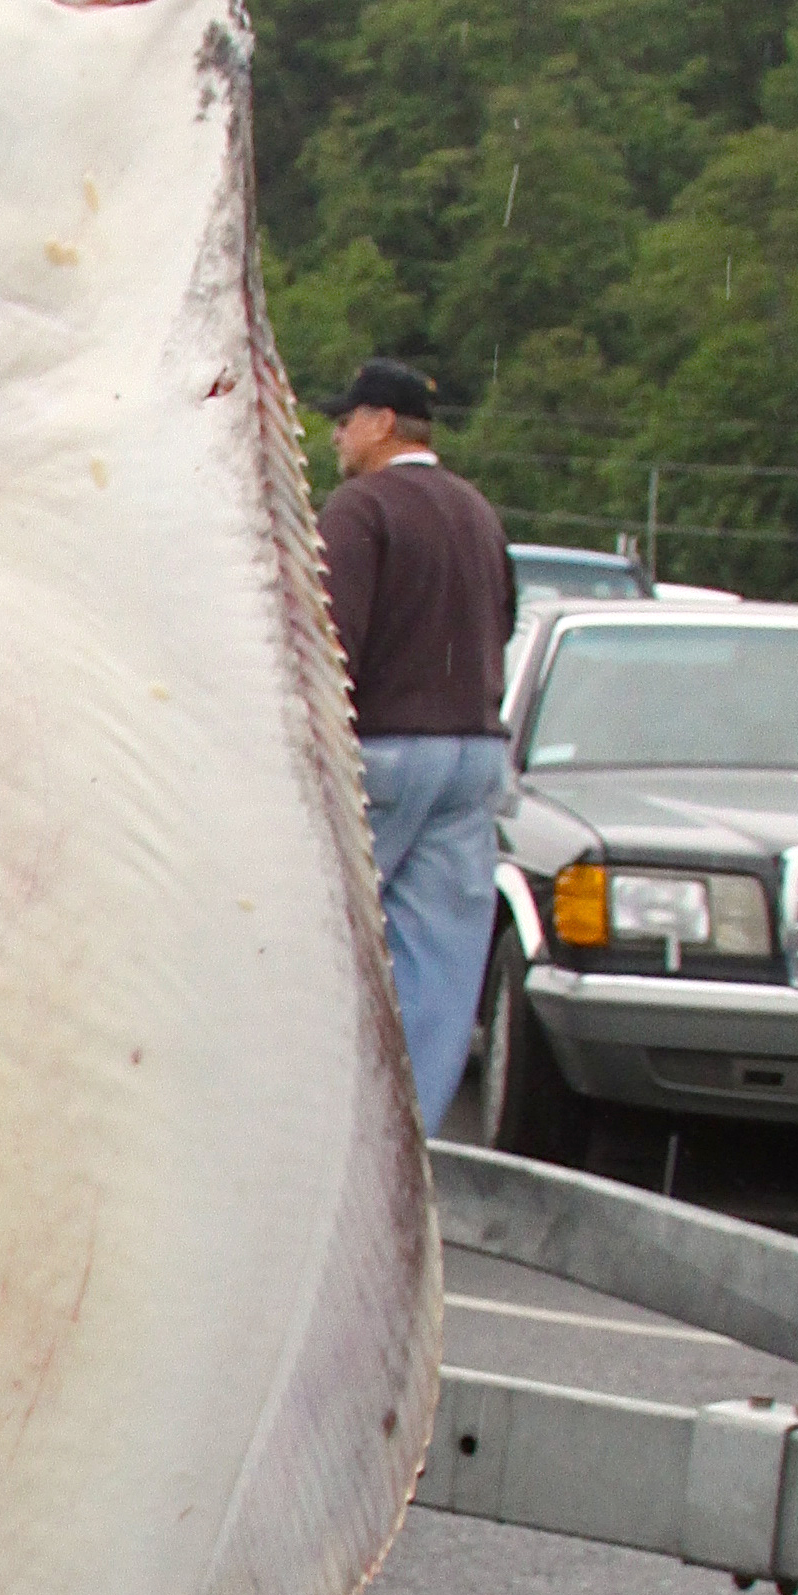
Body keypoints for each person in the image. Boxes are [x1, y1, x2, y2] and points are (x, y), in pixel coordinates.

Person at [317, 358, 514, 1129]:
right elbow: (502, 622)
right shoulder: (478, 513)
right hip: (473, 754)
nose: (337, 434)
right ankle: (414, 1144)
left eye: (346, 419)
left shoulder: (361, 509)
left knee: (327, 945)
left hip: (385, 753)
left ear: (383, 424)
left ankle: (332, 1138)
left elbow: (329, 643)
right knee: (437, 968)